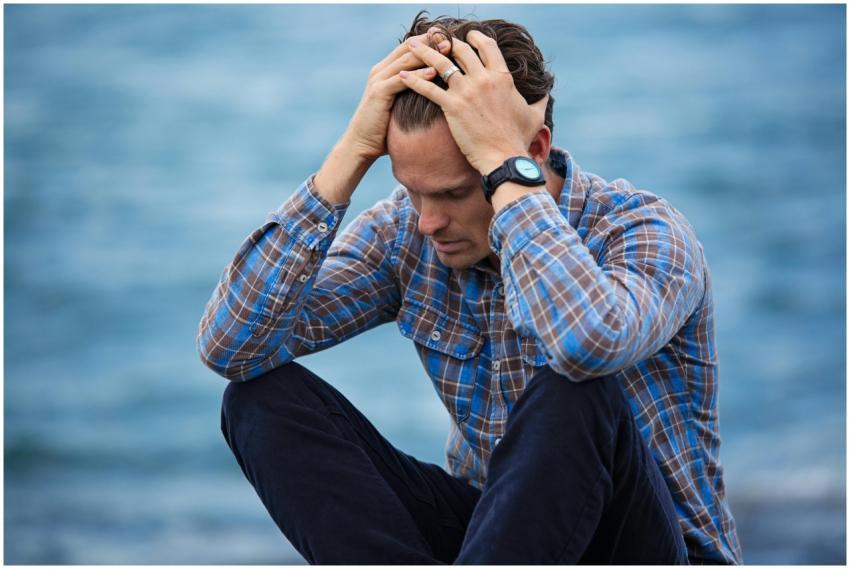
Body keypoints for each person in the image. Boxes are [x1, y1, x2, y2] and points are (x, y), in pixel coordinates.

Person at [197, 12, 743, 565]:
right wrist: (350, 154)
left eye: (455, 193)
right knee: (259, 401)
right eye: (413, 192)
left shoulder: (643, 232)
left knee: (576, 386)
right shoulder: (407, 235)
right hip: (498, 539)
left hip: (648, 548)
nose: (428, 221)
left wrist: (508, 176)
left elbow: (585, 343)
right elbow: (231, 347)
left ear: (531, 151)